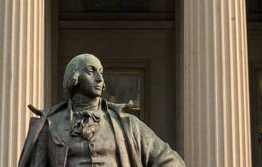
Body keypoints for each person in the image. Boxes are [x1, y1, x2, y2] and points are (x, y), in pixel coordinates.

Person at [16, 53, 186, 167]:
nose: (100, 79)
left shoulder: (126, 125)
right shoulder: (51, 124)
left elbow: (170, 161)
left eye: (101, 73)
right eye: (91, 72)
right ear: (74, 78)